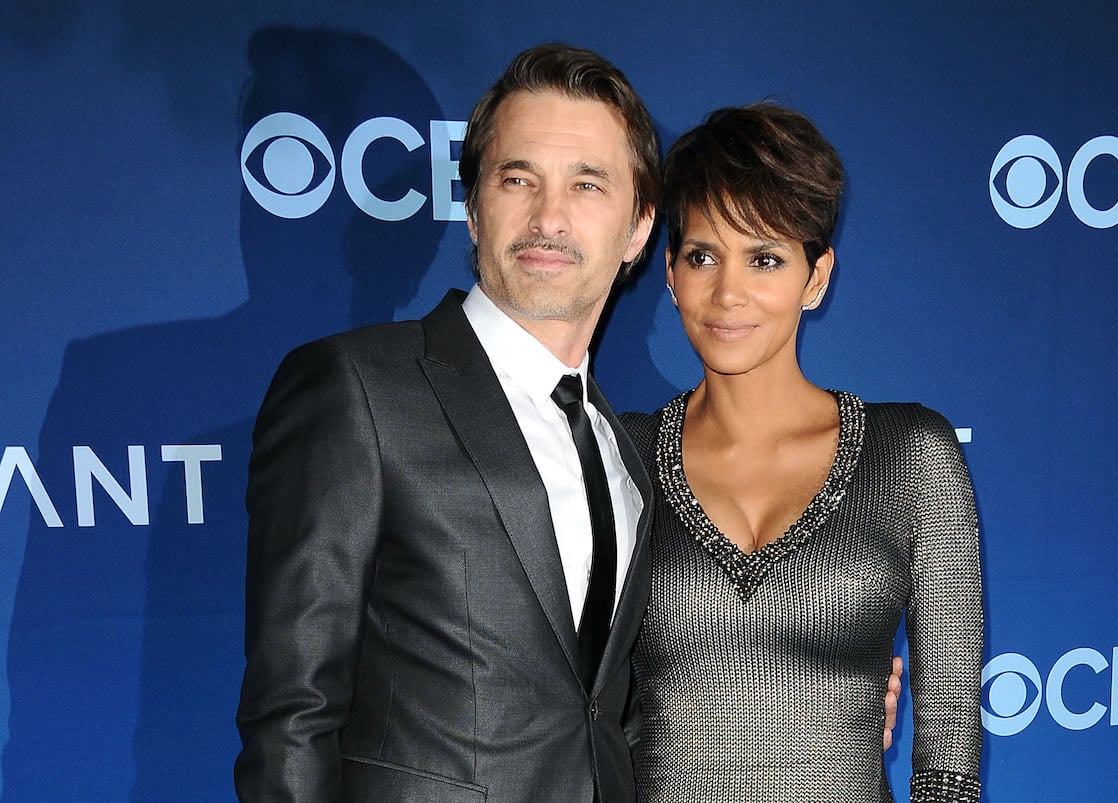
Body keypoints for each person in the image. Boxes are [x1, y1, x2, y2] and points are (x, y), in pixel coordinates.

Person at [234, 43, 659, 802]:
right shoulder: (357, 388)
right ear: (473, 209)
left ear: (637, 232)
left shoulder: (623, 447)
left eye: (587, 185)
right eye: (517, 178)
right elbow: (291, 716)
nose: (549, 216)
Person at [621, 104, 983, 802]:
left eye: (765, 258)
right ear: (668, 272)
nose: (728, 293)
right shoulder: (621, 453)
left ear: (815, 278)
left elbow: (948, 758)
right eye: (703, 256)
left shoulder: (911, 455)